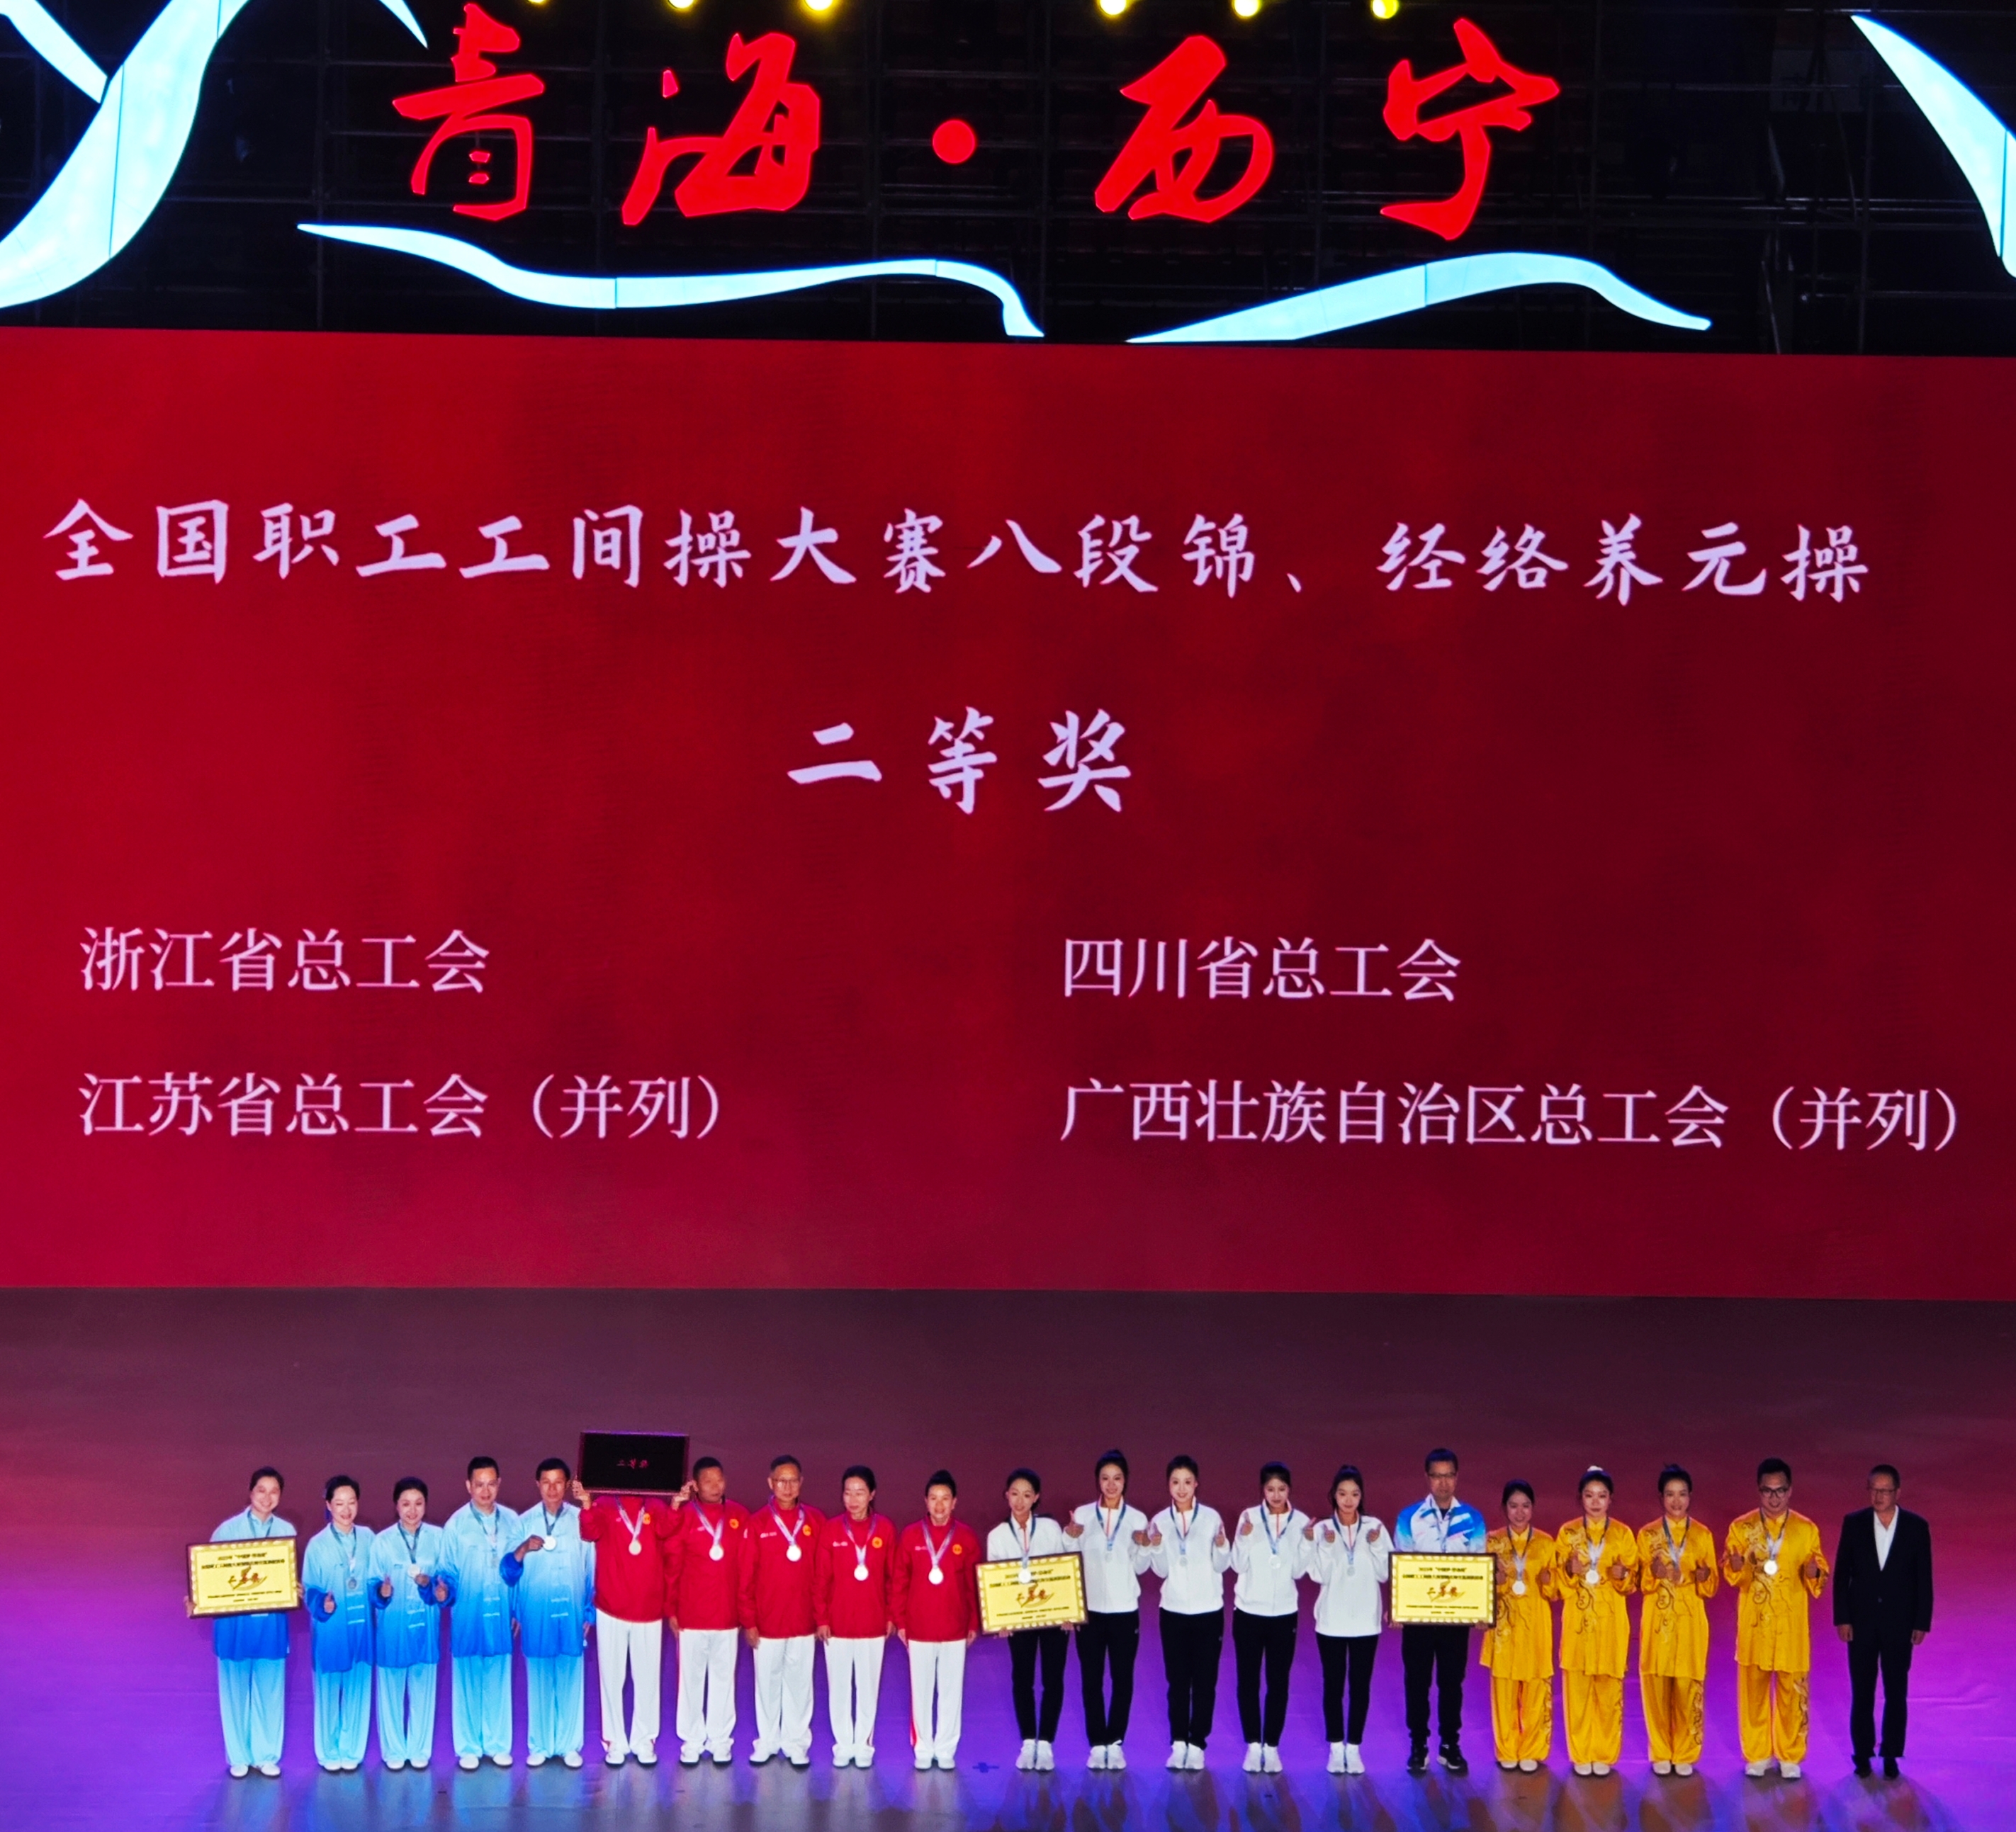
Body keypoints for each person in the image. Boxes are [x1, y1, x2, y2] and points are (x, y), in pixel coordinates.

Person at [1723, 1457, 1830, 1780]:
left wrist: (1814, 1572)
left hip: (1790, 1625)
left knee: (1792, 1691)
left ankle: (1790, 1755)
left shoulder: (1806, 1529)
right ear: (1759, 1491)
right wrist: (1736, 1566)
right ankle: (1757, 1754)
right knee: (1753, 1692)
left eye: (1780, 1490)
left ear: (1790, 1490)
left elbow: (1820, 1571)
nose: (1774, 1498)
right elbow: (1731, 1571)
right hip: (1756, 1624)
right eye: (1768, 1491)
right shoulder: (1741, 1528)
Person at [1833, 1463, 1934, 1777]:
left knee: (1896, 1692)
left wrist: (1922, 1621)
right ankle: (1862, 1755)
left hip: (1899, 1624)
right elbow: (1842, 1575)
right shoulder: (1854, 1523)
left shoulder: (1916, 1527)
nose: (1878, 1496)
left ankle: (1891, 1754)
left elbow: (1924, 1578)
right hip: (1861, 1623)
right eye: (1874, 1490)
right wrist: (1843, 1618)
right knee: (1862, 1691)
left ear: (1897, 1492)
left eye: (1885, 1491)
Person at [573, 1474, 680, 1766]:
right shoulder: (605, 1504)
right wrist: (586, 1504)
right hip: (611, 1607)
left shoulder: (655, 1506)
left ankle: (644, 1740)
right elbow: (589, 1532)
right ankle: (615, 1741)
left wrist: (675, 1504)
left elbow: (668, 1528)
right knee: (612, 1677)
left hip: (648, 1608)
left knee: (647, 1678)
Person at [1394, 1448, 1488, 1775]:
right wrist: (1400, 1606)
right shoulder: (1409, 1518)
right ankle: (1418, 1745)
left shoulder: (1473, 1519)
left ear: (1457, 1478)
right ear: (1427, 1478)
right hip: (1419, 1618)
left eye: (1448, 1475)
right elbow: (1402, 1566)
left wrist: (1481, 1607)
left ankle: (1450, 1745)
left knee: (1452, 1683)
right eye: (1437, 1476)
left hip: (1455, 1618)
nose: (1443, 1483)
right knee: (1417, 1683)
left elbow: (1479, 1566)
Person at [502, 1458, 594, 1768]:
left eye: (558, 1482)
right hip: (536, 1612)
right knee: (539, 1679)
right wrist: (515, 1608)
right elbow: (508, 1571)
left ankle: (569, 1746)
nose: (552, 1489)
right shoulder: (523, 1523)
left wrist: (589, 1612)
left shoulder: (581, 1520)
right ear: (537, 1484)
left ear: (567, 1485)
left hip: (571, 1612)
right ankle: (540, 1744)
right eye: (546, 1482)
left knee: (570, 1677)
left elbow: (592, 1568)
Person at [1062, 1449, 1149, 1770]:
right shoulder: (1084, 1516)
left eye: (1117, 1478)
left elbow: (1140, 1566)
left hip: (1125, 1611)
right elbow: (1070, 1559)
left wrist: (1143, 1546)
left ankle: (1116, 1741)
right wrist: (1070, 1536)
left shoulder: (1137, 1519)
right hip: (1091, 1612)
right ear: (1097, 1481)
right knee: (1091, 1679)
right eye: (1105, 1478)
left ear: (1126, 1481)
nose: (1111, 1485)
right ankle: (1097, 1744)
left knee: (1123, 1679)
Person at [1144, 1454, 1232, 1771]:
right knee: (1177, 1681)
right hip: (1174, 1612)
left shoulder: (1210, 1518)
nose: (1181, 1489)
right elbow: (1161, 1570)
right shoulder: (1159, 1521)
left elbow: (1222, 1566)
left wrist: (1221, 1545)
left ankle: (1197, 1745)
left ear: (1196, 1484)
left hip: (1208, 1612)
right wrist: (1155, 1546)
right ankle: (1178, 1741)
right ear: (1168, 1485)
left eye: (1187, 1482)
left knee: (1205, 1682)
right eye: (1175, 1482)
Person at [1300, 1464, 1388, 1776]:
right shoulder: (1323, 1528)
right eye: (1342, 1494)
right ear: (1333, 1496)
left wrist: (1377, 1544)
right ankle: (1336, 1748)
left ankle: (1355, 1747)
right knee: (1333, 1686)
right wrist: (1323, 1546)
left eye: (1354, 1494)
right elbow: (1318, 1575)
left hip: (1365, 1622)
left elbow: (1385, 1573)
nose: (1348, 1501)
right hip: (1332, 1622)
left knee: (1361, 1687)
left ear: (1361, 1496)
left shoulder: (1375, 1527)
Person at [891, 1469, 981, 1770]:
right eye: (934, 1499)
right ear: (926, 1501)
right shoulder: (911, 1535)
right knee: (921, 1690)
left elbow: (972, 1585)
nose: (939, 1505)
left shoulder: (966, 1537)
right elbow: (900, 1581)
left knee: (951, 1691)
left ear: (955, 1502)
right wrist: (901, 1622)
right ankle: (923, 1747)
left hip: (955, 1627)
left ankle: (945, 1748)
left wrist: (973, 1623)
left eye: (945, 1499)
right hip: (919, 1628)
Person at [211, 1467, 297, 1778]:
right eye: (262, 1490)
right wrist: (200, 1599)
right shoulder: (227, 1531)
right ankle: (239, 1756)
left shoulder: (286, 1530)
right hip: (234, 1625)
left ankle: (266, 1755)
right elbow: (211, 1578)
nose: (267, 1497)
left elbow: (288, 1576)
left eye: (274, 1491)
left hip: (271, 1624)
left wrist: (295, 1589)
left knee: (270, 1689)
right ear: (250, 1493)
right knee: (234, 1690)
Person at [740, 1454, 823, 1768]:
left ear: (801, 1483)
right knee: (767, 1684)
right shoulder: (757, 1523)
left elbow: (822, 1575)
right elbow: (746, 1576)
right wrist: (749, 1620)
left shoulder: (815, 1521)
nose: (787, 1487)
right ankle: (767, 1741)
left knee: (800, 1686)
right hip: (767, 1622)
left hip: (803, 1621)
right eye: (781, 1481)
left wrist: (821, 1617)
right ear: (770, 1483)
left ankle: (796, 1743)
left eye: (793, 1481)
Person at [1554, 1466, 1638, 1777]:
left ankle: (1603, 1752)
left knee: (1608, 1691)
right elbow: (1557, 1585)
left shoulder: (1623, 1535)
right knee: (1577, 1690)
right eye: (1589, 1496)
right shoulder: (1567, 1534)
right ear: (1581, 1498)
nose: (1595, 1502)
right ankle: (1580, 1753)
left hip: (1610, 1624)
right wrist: (1569, 1571)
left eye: (1602, 1496)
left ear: (1610, 1499)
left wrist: (1622, 1575)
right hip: (1578, 1623)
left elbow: (1633, 1581)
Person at [986, 1468, 1069, 1771]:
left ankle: (1045, 1743)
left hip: (1053, 1616)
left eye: (1027, 1495)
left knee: (1053, 1679)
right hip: (1019, 1617)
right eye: (1014, 1494)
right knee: (1022, 1679)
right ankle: (1028, 1742)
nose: (1020, 1501)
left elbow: (1064, 1569)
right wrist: (999, 1618)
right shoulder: (997, 1536)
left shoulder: (1050, 1528)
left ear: (1036, 1498)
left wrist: (1069, 1611)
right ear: (1006, 1496)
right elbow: (996, 1582)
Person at [1637, 1464, 1717, 1777]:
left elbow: (1711, 1584)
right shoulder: (1647, 1535)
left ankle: (1685, 1751)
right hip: (1658, 1621)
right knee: (1656, 1687)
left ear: (1690, 1496)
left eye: (1682, 1494)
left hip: (1689, 1621)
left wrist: (1704, 1576)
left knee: (1687, 1688)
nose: (1676, 1501)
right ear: (1661, 1497)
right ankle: (1660, 1750)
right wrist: (1652, 1573)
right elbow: (1639, 1582)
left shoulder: (1702, 1535)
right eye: (1670, 1495)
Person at [814, 1464, 896, 1768]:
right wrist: (822, 1618)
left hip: (873, 1623)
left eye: (860, 1492)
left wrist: (891, 1615)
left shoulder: (885, 1529)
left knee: (867, 1687)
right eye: (848, 1492)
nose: (853, 1499)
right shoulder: (831, 1529)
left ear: (872, 1494)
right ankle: (843, 1743)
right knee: (839, 1687)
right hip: (837, 1625)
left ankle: (863, 1744)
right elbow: (820, 1579)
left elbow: (893, 1578)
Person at [441, 1457, 519, 1770]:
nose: (485, 1491)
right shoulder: (456, 1525)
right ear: (468, 1486)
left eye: (491, 1484)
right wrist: (444, 1591)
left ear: (499, 1484)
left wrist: (517, 1609)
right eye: (479, 1485)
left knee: (499, 1677)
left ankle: (498, 1744)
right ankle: (469, 1747)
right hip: (468, 1614)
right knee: (468, 1679)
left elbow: (522, 1570)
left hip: (501, 1612)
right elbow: (447, 1571)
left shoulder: (513, 1521)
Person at [371, 1477, 454, 1772]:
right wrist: (381, 1592)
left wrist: (439, 1589)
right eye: (406, 1504)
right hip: (392, 1627)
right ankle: (394, 1749)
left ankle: (419, 1748)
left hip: (425, 1627)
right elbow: (372, 1584)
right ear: (396, 1506)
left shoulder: (439, 1538)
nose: (412, 1510)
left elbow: (446, 1580)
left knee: (423, 1688)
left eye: (418, 1503)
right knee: (391, 1690)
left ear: (426, 1505)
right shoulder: (382, 1542)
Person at [667, 1457, 745, 1766]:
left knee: (724, 1681)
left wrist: (745, 1611)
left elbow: (747, 1568)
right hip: (692, 1615)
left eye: (719, 1479)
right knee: (691, 1680)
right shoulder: (684, 1516)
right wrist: (671, 1609)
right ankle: (691, 1740)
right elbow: (673, 1566)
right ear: (695, 1486)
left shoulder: (739, 1516)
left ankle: (721, 1740)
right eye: (708, 1481)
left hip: (727, 1615)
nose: (715, 1486)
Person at [1230, 1461, 1307, 1773]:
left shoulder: (1300, 1522)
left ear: (1289, 1490)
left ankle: (1272, 1747)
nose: (1276, 1495)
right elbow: (1237, 1565)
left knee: (1278, 1682)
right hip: (1249, 1612)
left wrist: (1309, 1542)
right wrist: (1244, 1538)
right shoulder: (1249, 1517)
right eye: (1270, 1489)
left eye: (1282, 1489)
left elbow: (1299, 1571)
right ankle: (1253, 1745)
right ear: (1262, 1490)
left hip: (1284, 1615)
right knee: (1248, 1681)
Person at [1480, 1480, 1555, 1773]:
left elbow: (1557, 1590)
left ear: (1533, 1508)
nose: (1520, 1512)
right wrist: (1495, 1582)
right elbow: (1479, 1587)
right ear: (1504, 1508)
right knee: (1504, 1690)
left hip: (1536, 1625)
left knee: (1536, 1689)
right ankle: (1507, 1748)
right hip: (1505, 1628)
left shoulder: (1547, 1543)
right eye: (1513, 1506)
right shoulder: (1492, 1542)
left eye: (1525, 1506)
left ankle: (1533, 1749)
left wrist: (1550, 1582)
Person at [303, 1475, 375, 1772]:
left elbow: (377, 1580)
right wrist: (323, 1603)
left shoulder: (369, 1538)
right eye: (339, 1503)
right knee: (329, 1690)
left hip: (362, 1627)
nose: (346, 1510)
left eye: (352, 1502)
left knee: (359, 1687)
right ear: (328, 1505)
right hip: (331, 1628)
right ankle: (328, 1751)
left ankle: (352, 1749)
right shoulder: (317, 1545)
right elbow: (309, 1589)